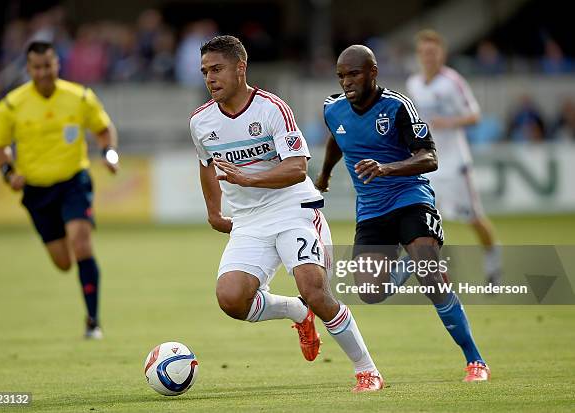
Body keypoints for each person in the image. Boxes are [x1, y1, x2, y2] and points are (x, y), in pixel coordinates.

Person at [190, 35, 383, 392]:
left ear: (240, 68)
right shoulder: (201, 121)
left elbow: (296, 168)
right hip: (248, 221)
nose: (210, 78)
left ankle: (366, 370)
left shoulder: (271, 108)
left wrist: (248, 177)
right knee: (231, 299)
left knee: (315, 290)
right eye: (204, 72)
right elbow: (206, 165)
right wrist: (214, 212)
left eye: (216, 69)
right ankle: (296, 312)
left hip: (292, 208)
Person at [315, 44, 490, 382]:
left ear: (373, 72)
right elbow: (338, 138)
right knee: (370, 292)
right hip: (370, 210)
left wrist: (387, 168)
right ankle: (411, 262)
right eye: (341, 76)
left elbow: (429, 158)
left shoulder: (398, 107)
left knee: (431, 277)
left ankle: (475, 361)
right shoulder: (332, 109)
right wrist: (324, 174)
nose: (346, 82)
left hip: (410, 197)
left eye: (353, 74)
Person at [0, 41, 119, 339]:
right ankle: (86, 300)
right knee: (63, 262)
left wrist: (109, 153)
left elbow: (103, 128)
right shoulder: (11, 105)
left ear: (56, 65)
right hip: (37, 192)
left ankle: (93, 321)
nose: (43, 72)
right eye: (37, 67)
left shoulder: (79, 97)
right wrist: (9, 172)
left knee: (82, 243)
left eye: (48, 65)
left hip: (74, 181)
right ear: (29, 68)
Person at [406, 29, 501, 284]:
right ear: (419, 55)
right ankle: (433, 273)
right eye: (425, 52)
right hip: (428, 165)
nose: (429, 57)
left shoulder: (452, 81)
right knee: (423, 220)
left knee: (474, 218)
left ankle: (493, 259)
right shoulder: (413, 84)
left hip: (456, 164)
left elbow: (475, 115)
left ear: (442, 54)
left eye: (433, 52)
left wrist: (448, 121)